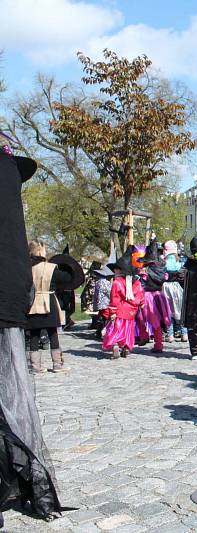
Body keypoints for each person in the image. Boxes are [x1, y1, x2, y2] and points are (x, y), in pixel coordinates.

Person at [0, 142, 64, 525]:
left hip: (10, 292)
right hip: (10, 293)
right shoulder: (9, 175)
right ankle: (28, 487)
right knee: (10, 396)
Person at [25, 241, 84, 373]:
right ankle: (57, 364)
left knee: (34, 335)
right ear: (40, 251)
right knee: (53, 334)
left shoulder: (27, 268)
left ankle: (35, 366)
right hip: (48, 302)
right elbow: (66, 278)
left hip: (33, 303)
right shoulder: (50, 268)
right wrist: (69, 266)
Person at [102, 248, 144, 359]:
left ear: (120, 270)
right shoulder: (136, 283)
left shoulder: (117, 283)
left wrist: (112, 311)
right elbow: (140, 295)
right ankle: (126, 347)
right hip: (131, 312)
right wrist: (140, 304)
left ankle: (115, 345)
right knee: (127, 331)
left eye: (116, 268)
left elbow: (114, 299)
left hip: (119, 311)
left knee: (115, 330)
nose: (114, 270)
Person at [139, 239, 172, 354]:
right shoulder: (161, 270)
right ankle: (158, 343)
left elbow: (141, 285)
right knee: (156, 322)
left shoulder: (146, 271)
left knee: (141, 318)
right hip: (159, 295)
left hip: (147, 297)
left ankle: (146, 338)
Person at [162, 240, 187, 343]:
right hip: (178, 287)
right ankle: (184, 334)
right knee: (180, 310)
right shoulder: (180, 262)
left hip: (166, 287)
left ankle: (170, 334)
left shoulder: (164, 262)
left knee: (168, 311)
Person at [91, 264, 114, 339]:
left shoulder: (98, 282)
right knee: (106, 319)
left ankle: (99, 332)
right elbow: (110, 292)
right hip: (106, 303)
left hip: (99, 304)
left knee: (101, 318)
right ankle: (105, 332)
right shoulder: (106, 283)